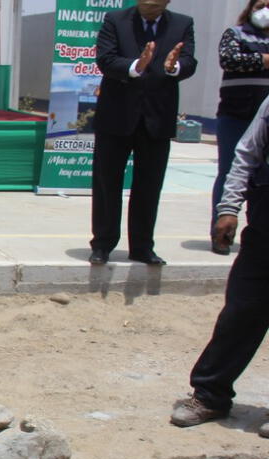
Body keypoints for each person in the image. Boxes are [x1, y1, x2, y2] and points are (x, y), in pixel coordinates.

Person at [169, 95, 269, 439]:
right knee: (241, 311)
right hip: (265, 230)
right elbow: (247, 154)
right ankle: (210, 395)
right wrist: (228, 208)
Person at [88, 0, 196, 266]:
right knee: (107, 183)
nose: (150, 5)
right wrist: (137, 65)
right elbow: (105, 59)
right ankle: (102, 244)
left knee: (149, 186)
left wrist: (174, 67)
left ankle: (142, 247)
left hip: (157, 119)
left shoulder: (183, 23)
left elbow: (189, 61)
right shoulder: (115, 20)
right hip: (117, 117)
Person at [211, 0, 269, 256]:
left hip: (264, 118)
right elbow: (230, 60)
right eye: (261, 4)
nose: (265, 9)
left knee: (262, 178)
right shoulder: (235, 33)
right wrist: (265, 59)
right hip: (236, 114)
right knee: (230, 170)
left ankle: (256, 231)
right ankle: (221, 232)